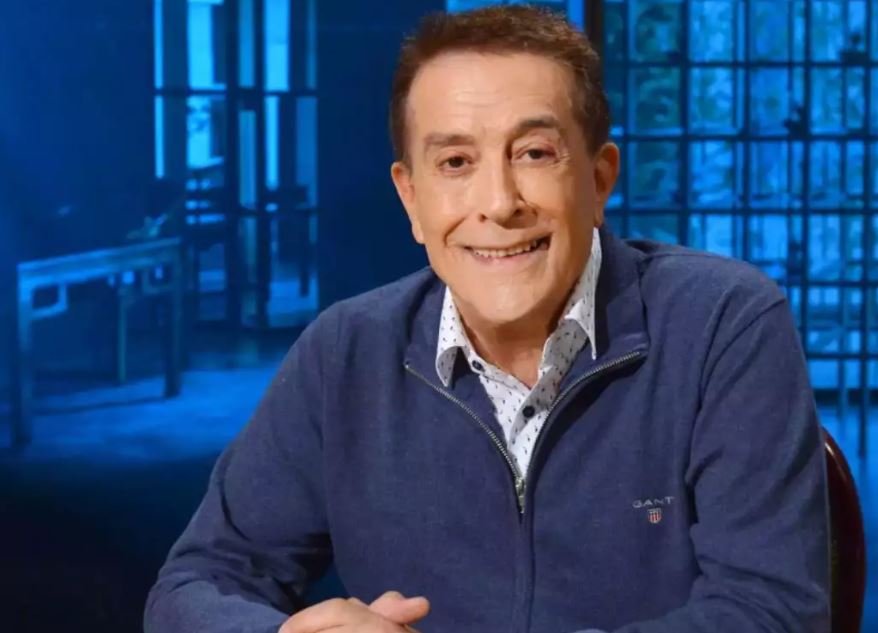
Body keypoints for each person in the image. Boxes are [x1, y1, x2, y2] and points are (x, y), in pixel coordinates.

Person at [144, 6, 830, 633]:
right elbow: (192, 587)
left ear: (598, 180)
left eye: (534, 153)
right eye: (455, 162)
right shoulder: (344, 352)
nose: (498, 203)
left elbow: (773, 610)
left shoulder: (724, 324)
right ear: (411, 198)